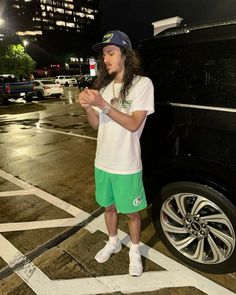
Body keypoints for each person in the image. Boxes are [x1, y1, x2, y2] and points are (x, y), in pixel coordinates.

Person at [78, 30, 154, 276]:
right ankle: (112, 241)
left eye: (111, 53)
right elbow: (96, 125)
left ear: (126, 55)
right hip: (103, 162)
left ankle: (134, 250)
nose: (105, 59)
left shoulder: (143, 84)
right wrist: (89, 107)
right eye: (103, 55)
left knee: (131, 212)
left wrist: (103, 105)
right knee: (108, 208)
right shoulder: (106, 87)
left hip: (126, 163)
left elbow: (133, 124)